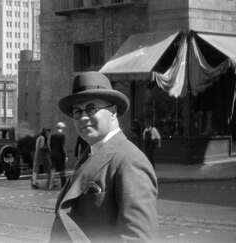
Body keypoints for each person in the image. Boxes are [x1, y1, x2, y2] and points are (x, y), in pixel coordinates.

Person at [49, 71, 158, 242]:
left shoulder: (129, 161)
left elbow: (137, 238)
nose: (83, 117)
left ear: (113, 111)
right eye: (77, 111)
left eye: (91, 108)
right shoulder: (89, 156)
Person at [48, 122, 67, 190]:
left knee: (53, 169)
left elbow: (50, 145)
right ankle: (64, 185)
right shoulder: (62, 135)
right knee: (62, 170)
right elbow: (63, 146)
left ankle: (50, 185)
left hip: (53, 154)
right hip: (60, 155)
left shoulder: (52, 135)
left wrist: (52, 152)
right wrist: (66, 155)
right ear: (62, 128)